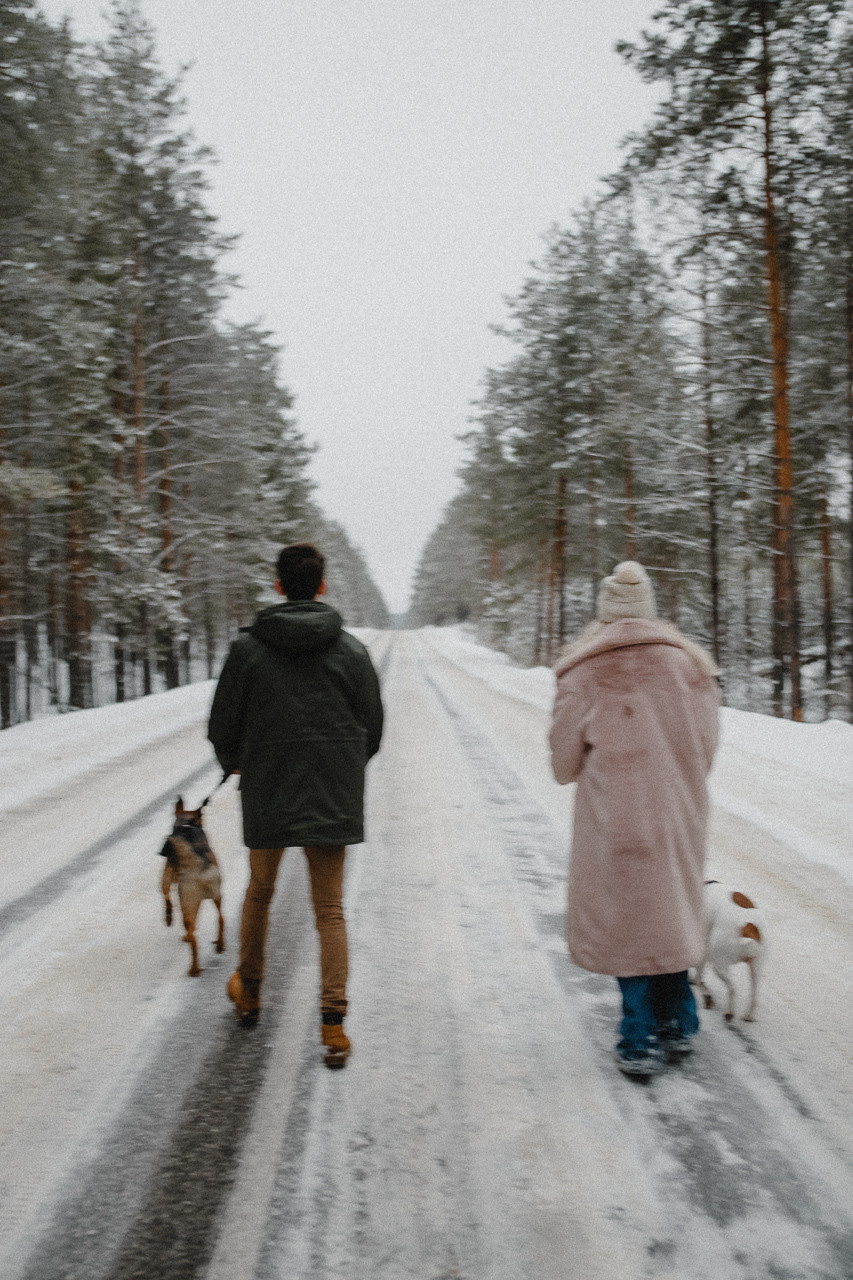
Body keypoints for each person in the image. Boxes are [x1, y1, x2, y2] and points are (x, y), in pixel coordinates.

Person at [208, 542, 383, 1067]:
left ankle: (251, 995)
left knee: (259, 892)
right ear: (322, 586)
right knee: (329, 909)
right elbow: (371, 728)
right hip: (331, 793)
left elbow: (222, 726)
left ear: (279, 585)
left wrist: (237, 761)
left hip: (268, 788)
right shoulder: (350, 651)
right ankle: (334, 1027)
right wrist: (344, 769)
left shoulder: (248, 651)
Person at [548, 561, 720, 1077]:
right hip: (678, 811)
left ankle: (639, 1036)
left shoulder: (582, 671)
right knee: (668, 910)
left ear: (605, 612)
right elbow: (705, 750)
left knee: (628, 920)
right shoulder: (691, 666)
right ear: (649, 608)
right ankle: (681, 1024)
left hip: (614, 815)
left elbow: (562, 765)